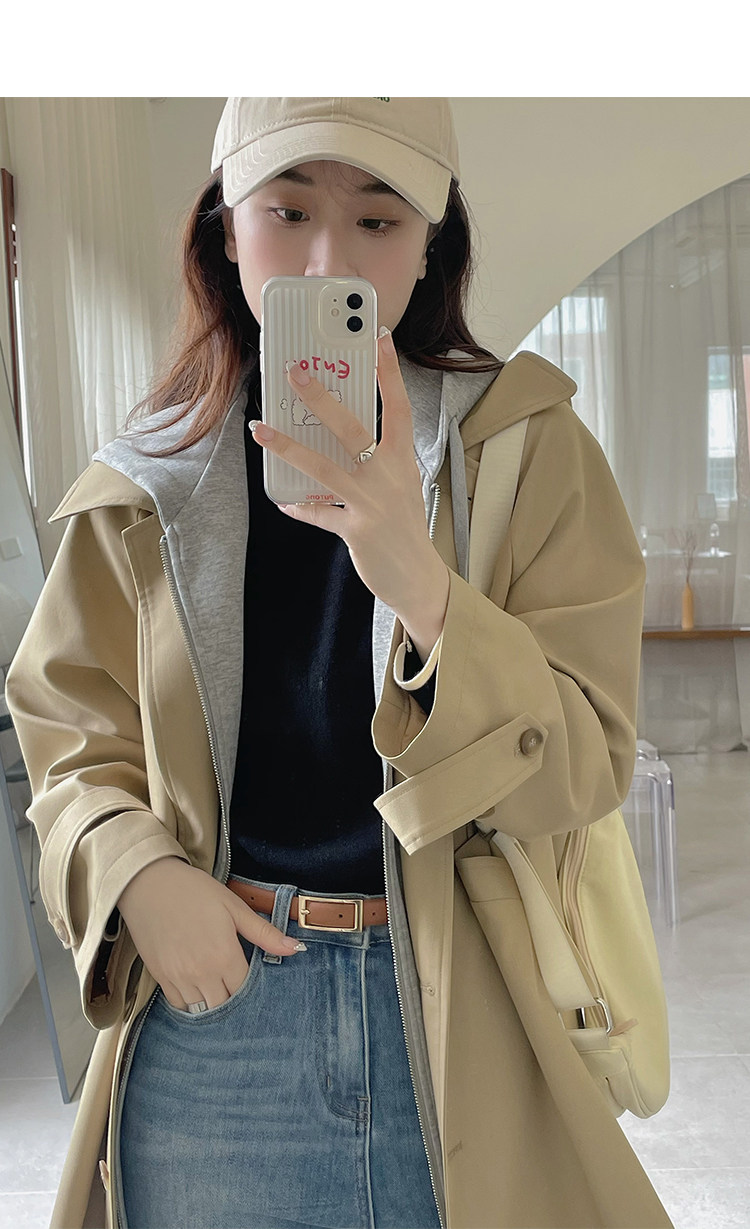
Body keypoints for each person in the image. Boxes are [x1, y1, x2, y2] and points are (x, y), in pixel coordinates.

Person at [4, 98, 674, 1229]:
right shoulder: (142, 484)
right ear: (226, 228)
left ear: (429, 246)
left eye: (376, 220)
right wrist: (136, 873)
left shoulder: (529, 449)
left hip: (462, 1013)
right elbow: (68, 735)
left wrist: (423, 588)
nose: (329, 259)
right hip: (215, 1021)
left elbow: (585, 762)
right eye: (288, 211)